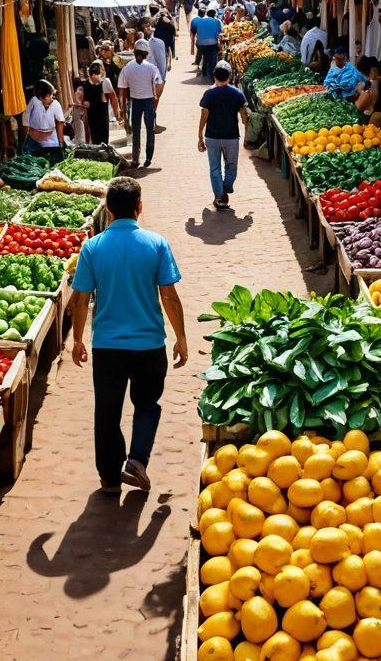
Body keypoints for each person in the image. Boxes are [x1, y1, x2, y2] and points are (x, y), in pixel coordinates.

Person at [70, 178, 188, 493]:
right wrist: (181, 338)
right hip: (149, 344)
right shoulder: (157, 244)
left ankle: (109, 477)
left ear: (107, 210)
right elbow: (169, 297)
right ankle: (137, 460)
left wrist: (77, 340)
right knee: (147, 403)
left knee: (107, 410)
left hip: (107, 347)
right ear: (139, 207)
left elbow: (80, 299)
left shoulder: (92, 247)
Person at [198, 60, 250, 210]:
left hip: (212, 137)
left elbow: (204, 117)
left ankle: (220, 195)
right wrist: (246, 134)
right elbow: (244, 116)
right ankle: (226, 187)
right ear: (229, 76)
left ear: (215, 76)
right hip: (231, 137)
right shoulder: (237, 93)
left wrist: (199, 137)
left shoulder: (209, 94)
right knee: (231, 166)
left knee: (214, 168)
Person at [118, 40, 163, 169]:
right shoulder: (151, 67)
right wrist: (156, 96)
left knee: (136, 131)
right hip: (148, 102)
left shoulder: (127, 68)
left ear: (135, 52)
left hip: (135, 102)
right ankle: (148, 158)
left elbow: (122, 88)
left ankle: (135, 160)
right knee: (150, 130)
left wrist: (122, 107)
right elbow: (159, 82)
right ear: (146, 53)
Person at [21, 79, 66, 152]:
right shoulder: (33, 102)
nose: (51, 97)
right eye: (48, 96)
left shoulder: (56, 104)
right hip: (33, 141)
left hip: (51, 140)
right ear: (40, 98)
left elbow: (60, 123)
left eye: (52, 94)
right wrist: (25, 141)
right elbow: (26, 123)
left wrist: (61, 142)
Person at [83, 61, 120, 145]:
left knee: (103, 138)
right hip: (91, 114)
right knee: (95, 138)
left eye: (96, 75)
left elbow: (113, 98)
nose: (94, 78)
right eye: (93, 75)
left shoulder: (105, 82)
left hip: (102, 114)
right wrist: (84, 104)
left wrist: (116, 114)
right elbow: (83, 100)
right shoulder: (86, 83)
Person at [356, 58, 381, 130]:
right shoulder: (370, 83)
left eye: (366, 74)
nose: (367, 77)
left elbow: (376, 107)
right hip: (371, 123)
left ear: (374, 70)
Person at [192, 7, 223, 78]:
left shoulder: (200, 21)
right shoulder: (216, 21)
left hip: (201, 43)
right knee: (213, 58)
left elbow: (196, 31)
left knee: (205, 57)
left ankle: (204, 72)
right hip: (212, 43)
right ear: (214, 15)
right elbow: (219, 33)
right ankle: (211, 72)